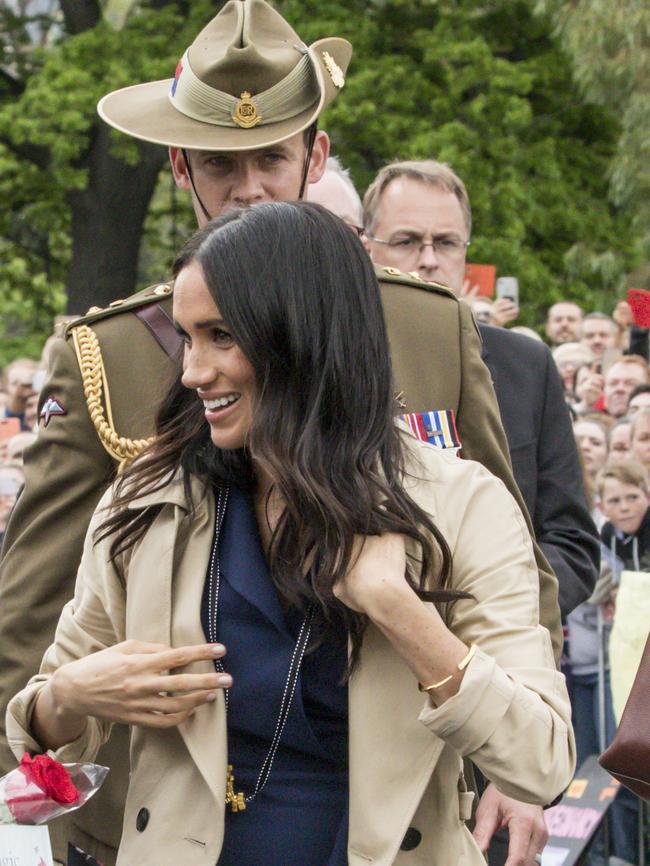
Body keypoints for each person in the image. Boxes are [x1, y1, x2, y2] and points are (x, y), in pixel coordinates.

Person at [0, 4, 562, 863]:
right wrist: (42, 747)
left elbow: (506, 564)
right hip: (167, 811)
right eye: (223, 165)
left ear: (316, 156)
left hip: (393, 802)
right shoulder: (115, 365)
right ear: (182, 169)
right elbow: (40, 610)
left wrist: (510, 774)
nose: (252, 189)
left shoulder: (428, 327)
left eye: (272, 157)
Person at [362, 160, 599, 620]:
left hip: (510, 648)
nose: (429, 259)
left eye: (446, 243)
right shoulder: (332, 365)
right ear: (367, 247)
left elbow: (571, 540)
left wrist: (511, 616)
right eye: (408, 241)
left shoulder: (527, 367)